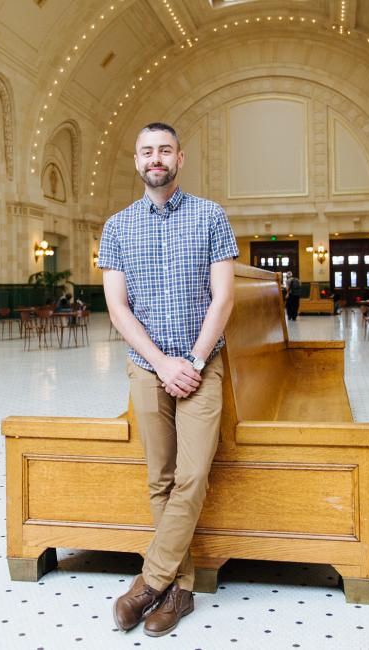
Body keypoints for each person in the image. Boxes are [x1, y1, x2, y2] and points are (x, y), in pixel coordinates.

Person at [98, 122, 238, 637]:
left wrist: (194, 362)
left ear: (180, 157)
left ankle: (148, 583)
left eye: (163, 150)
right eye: (145, 151)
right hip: (147, 365)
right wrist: (161, 362)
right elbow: (118, 308)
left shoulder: (210, 216)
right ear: (136, 161)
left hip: (203, 363)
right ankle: (180, 591)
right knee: (159, 477)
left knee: (192, 474)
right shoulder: (117, 227)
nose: (154, 158)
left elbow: (223, 298)